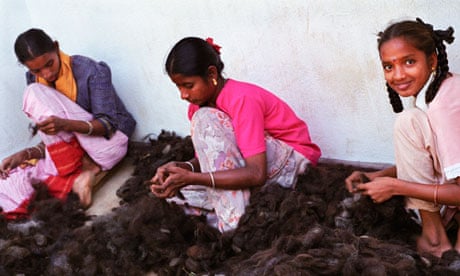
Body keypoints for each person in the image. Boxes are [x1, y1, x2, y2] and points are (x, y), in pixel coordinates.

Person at [150, 37, 321, 232]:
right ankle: (238, 210)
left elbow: (257, 174)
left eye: (188, 85)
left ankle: (236, 225)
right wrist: (183, 168)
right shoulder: (197, 108)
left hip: (294, 164)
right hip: (252, 168)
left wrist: (192, 178)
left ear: (212, 73)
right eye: (178, 87)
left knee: (205, 119)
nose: (183, 95)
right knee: (175, 195)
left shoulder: (241, 99)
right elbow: (212, 160)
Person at [345, 18, 458, 257]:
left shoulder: (444, 105)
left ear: (432, 60)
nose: (398, 75)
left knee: (408, 122)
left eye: (409, 62)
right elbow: (435, 156)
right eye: (389, 66)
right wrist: (380, 176)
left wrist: (395, 187)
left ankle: (436, 241)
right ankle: (438, 239)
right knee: (410, 122)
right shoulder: (438, 91)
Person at [0, 28, 136, 218]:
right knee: (11, 183)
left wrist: (65, 125)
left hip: (109, 145)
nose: (46, 74)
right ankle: (83, 174)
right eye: (36, 70)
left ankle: (84, 169)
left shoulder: (91, 71)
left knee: (33, 93)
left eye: (49, 64)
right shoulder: (34, 79)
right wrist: (26, 153)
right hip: (74, 152)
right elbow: (53, 133)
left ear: (56, 47)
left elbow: (108, 125)